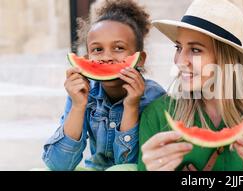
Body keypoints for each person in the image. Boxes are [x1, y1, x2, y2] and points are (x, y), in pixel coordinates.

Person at [138, 0, 243, 171]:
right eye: (178, 47)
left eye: (195, 50)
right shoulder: (157, 115)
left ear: (226, 60)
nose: (179, 61)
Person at [42, 0, 165, 171]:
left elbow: (128, 163)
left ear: (140, 58)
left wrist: (131, 106)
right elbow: (58, 165)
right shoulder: (84, 93)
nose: (106, 57)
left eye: (118, 48)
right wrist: (78, 105)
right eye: (97, 50)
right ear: (86, 59)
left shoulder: (154, 97)